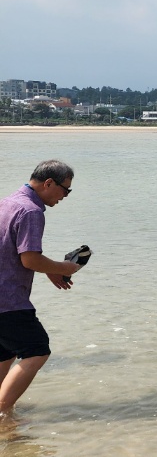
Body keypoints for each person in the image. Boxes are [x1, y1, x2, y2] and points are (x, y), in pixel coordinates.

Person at [0, 160, 83, 415]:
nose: (65, 196)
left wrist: (49, 270)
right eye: (65, 190)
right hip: (8, 300)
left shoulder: (7, 203)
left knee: (4, 353)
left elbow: (10, 250)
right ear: (48, 183)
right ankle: (3, 414)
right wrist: (64, 268)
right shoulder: (31, 211)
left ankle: (6, 414)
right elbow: (29, 258)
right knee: (37, 349)